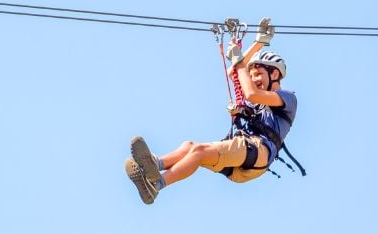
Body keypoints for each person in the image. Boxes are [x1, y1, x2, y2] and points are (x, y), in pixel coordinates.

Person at [125, 18, 297, 205]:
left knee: (199, 151)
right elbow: (235, 73)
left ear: (274, 74)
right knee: (190, 146)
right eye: (252, 75)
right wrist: (258, 44)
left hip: (257, 152)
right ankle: (155, 165)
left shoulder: (287, 98)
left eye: (259, 74)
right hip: (243, 161)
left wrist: (240, 61)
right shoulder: (258, 104)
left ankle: (156, 185)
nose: (254, 78)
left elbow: (250, 93)